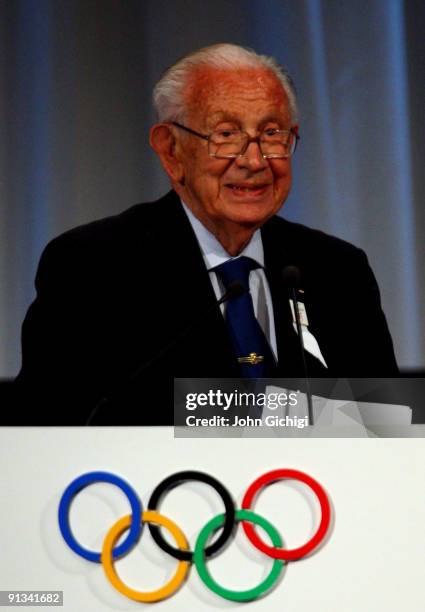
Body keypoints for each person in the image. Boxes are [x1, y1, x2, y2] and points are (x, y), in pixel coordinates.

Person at [14, 43, 398, 425]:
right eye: (226, 134)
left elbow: (382, 428)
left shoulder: (338, 270)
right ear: (171, 150)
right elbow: (46, 424)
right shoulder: (93, 267)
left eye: (271, 134)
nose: (253, 160)